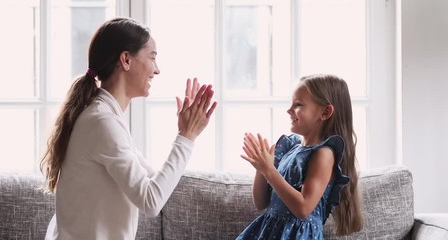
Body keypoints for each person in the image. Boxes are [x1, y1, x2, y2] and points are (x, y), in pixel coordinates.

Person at [40, 17, 217, 239]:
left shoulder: (106, 116)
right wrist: (186, 137)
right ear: (126, 59)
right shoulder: (102, 122)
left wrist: (185, 132)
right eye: (152, 57)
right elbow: (151, 201)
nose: (157, 70)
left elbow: (154, 182)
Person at [237, 74, 363, 239]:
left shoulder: (323, 154)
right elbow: (261, 203)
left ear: (325, 112)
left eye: (298, 105)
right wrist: (261, 168)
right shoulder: (291, 148)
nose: (289, 110)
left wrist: (269, 171)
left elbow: (303, 208)